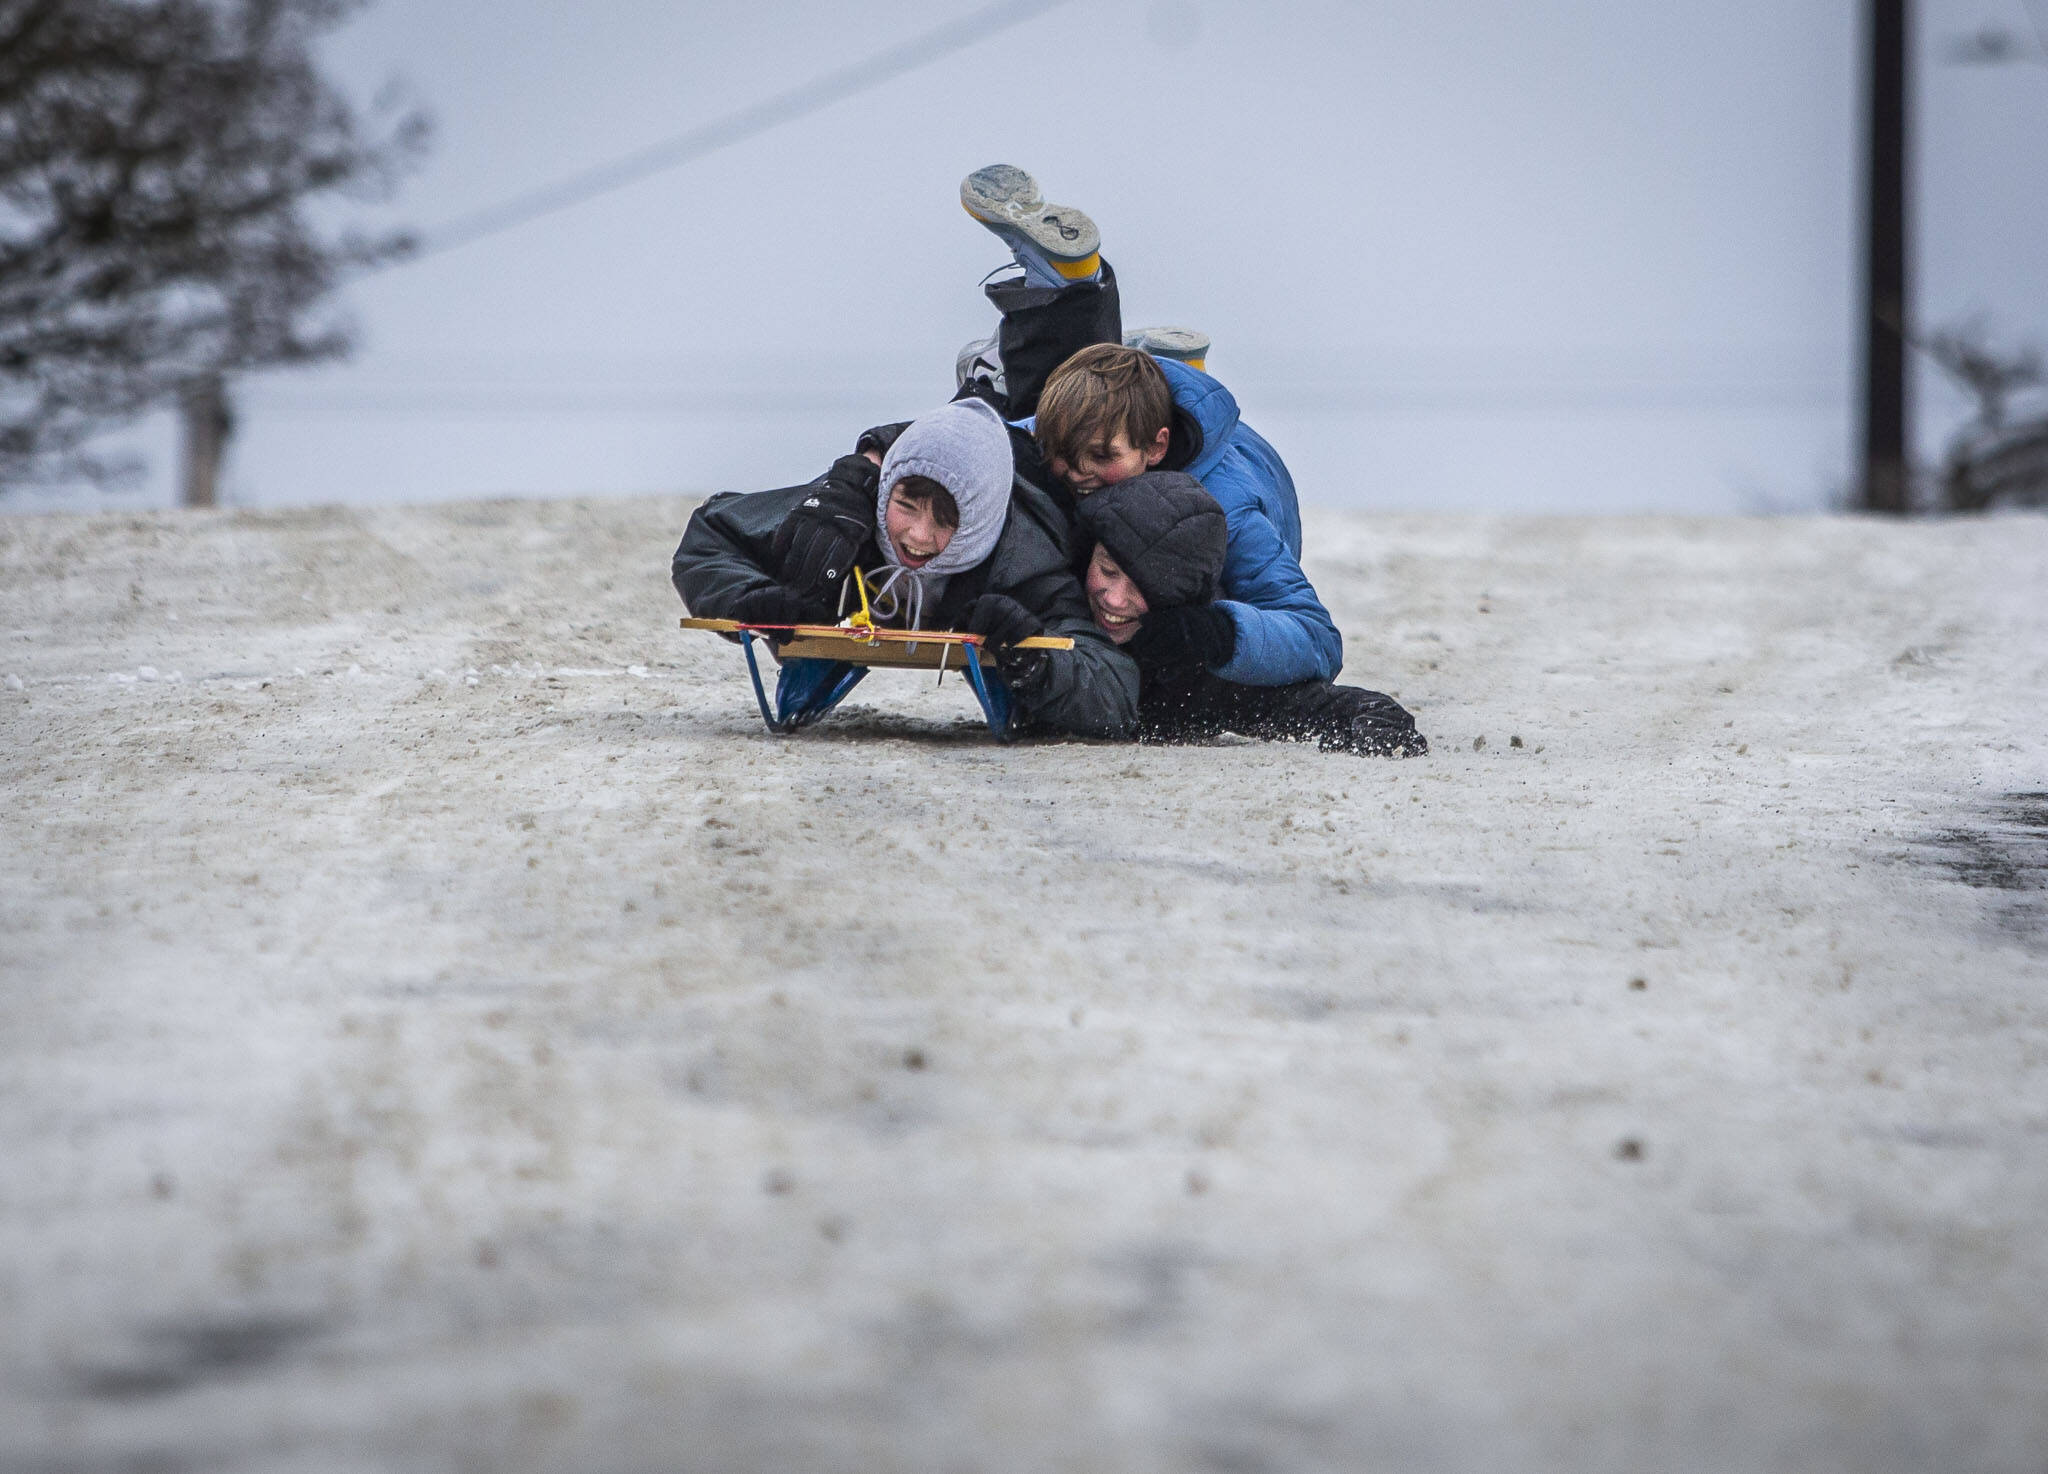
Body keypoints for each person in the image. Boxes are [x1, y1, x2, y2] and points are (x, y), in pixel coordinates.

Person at [953, 164, 1344, 692]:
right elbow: (975, 441)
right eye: (1063, 455)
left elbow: (1316, 639)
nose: (1077, 474)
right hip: (1143, 426)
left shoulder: (1225, 505)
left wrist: (1210, 633)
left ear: (1157, 446)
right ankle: (1070, 291)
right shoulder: (1073, 446)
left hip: (1243, 466)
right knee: (1025, 428)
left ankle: (1164, 360)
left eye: (1100, 457)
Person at [671, 396, 1138, 740]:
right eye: (906, 504)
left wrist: (1035, 657)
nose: (917, 536)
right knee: (808, 563)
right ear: (886, 489)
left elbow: (1116, 687)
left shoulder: (1025, 564)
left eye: (946, 520)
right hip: (848, 605)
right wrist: (749, 596)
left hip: (1005, 584)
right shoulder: (845, 517)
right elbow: (708, 536)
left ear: (978, 520)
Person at [1075, 469, 1427, 757]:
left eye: (1142, 589)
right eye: (1107, 570)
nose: (1116, 600)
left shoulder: (1190, 674)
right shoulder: (1054, 583)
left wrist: (1377, 726)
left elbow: (1345, 705)